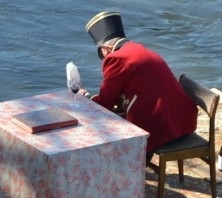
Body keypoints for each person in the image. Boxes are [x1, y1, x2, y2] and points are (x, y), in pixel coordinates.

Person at [81, 11, 197, 156]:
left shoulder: (116, 59)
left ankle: (124, 171)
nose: (103, 58)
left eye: (101, 53)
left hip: (165, 132)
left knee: (110, 132)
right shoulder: (138, 49)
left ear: (106, 48)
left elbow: (105, 104)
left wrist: (85, 97)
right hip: (184, 123)